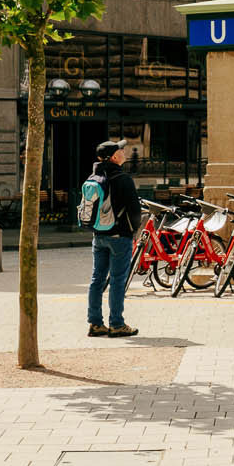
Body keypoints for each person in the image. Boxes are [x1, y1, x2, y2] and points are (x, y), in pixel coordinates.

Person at [83, 138, 142, 338]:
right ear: (115, 157)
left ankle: (95, 323)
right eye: (121, 150)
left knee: (96, 279)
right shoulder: (122, 178)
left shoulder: (93, 176)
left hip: (98, 235)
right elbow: (135, 210)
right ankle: (117, 324)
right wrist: (133, 230)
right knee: (118, 280)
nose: (124, 152)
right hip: (120, 236)